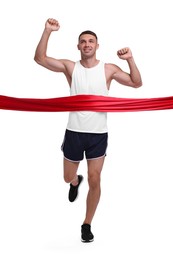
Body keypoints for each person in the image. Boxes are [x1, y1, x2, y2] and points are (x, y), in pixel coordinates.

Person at [34, 18, 142, 243]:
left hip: (98, 135)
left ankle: (86, 224)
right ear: (78, 46)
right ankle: (75, 182)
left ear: (97, 45)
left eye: (91, 41)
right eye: (83, 41)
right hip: (74, 132)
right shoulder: (70, 67)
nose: (87, 44)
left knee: (96, 178)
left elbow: (136, 83)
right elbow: (40, 59)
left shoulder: (108, 69)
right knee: (66, 177)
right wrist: (47, 31)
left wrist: (130, 59)